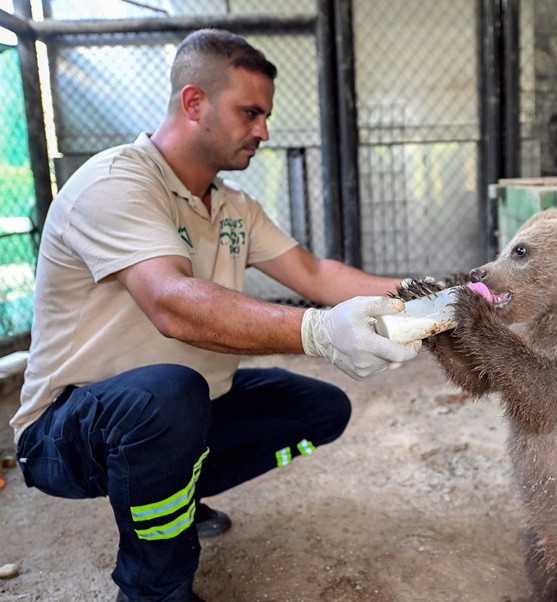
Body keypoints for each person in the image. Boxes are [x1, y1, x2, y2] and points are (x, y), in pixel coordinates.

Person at [11, 29, 422, 602]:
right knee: (167, 395)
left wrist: (428, 293)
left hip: (174, 409)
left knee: (319, 407)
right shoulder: (117, 182)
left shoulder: (232, 205)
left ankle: (170, 489)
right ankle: (155, 589)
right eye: (250, 112)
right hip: (69, 428)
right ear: (194, 102)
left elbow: (315, 273)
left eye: (266, 115)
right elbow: (171, 303)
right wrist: (319, 331)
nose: (264, 130)